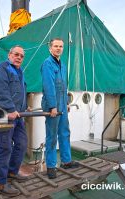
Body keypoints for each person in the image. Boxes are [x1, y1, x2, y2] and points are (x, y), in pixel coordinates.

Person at [0, 45, 28, 196]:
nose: (19, 57)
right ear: (9, 55)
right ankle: (0, 183)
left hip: (17, 115)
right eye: (16, 54)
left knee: (21, 143)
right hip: (1, 114)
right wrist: (10, 109)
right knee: (4, 148)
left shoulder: (19, 71)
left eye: (21, 56)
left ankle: (12, 172)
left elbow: (19, 93)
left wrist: (25, 107)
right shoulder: (1, 69)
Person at [41, 38, 79, 179]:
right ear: (50, 48)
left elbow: (63, 86)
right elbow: (49, 86)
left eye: (61, 46)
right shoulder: (47, 64)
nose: (58, 48)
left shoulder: (62, 65)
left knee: (64, 132)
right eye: (56, 46)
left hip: (62, 103)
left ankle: (66, 161)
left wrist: (66, 102)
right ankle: (51, 166)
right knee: (52, 136)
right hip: (52, 105)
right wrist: (52, 106)